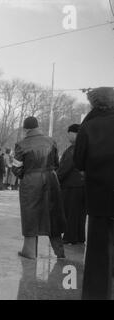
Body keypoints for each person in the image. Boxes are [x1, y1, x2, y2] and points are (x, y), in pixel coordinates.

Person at [74, 87, 114, 300]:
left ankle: (97, 294)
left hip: (100, 196)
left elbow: (78, 161)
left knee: (99, 252)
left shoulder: (89, 126)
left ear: (94, 103)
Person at [12, 116, 66, 260]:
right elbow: (56, 163)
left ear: (26, 129)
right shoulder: (51, 141)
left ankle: (29, 252)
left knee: (30, 214)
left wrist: (26, 174)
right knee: (52, 214)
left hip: (30, 181)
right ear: (37, 126)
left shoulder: (21, 144)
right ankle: (59, 251)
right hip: (51, 178)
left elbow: (16, 168)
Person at [57, 124, 86, 245]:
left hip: (71, 185)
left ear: (75, 133)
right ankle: (79, 236)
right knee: (80, 213)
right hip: (83, 185)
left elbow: (65, 167)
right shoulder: (85, 147)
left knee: (70, 212)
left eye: (69, 133)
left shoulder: (73, 149)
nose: (68, 135)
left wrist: (57, 178)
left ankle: (70, 237)